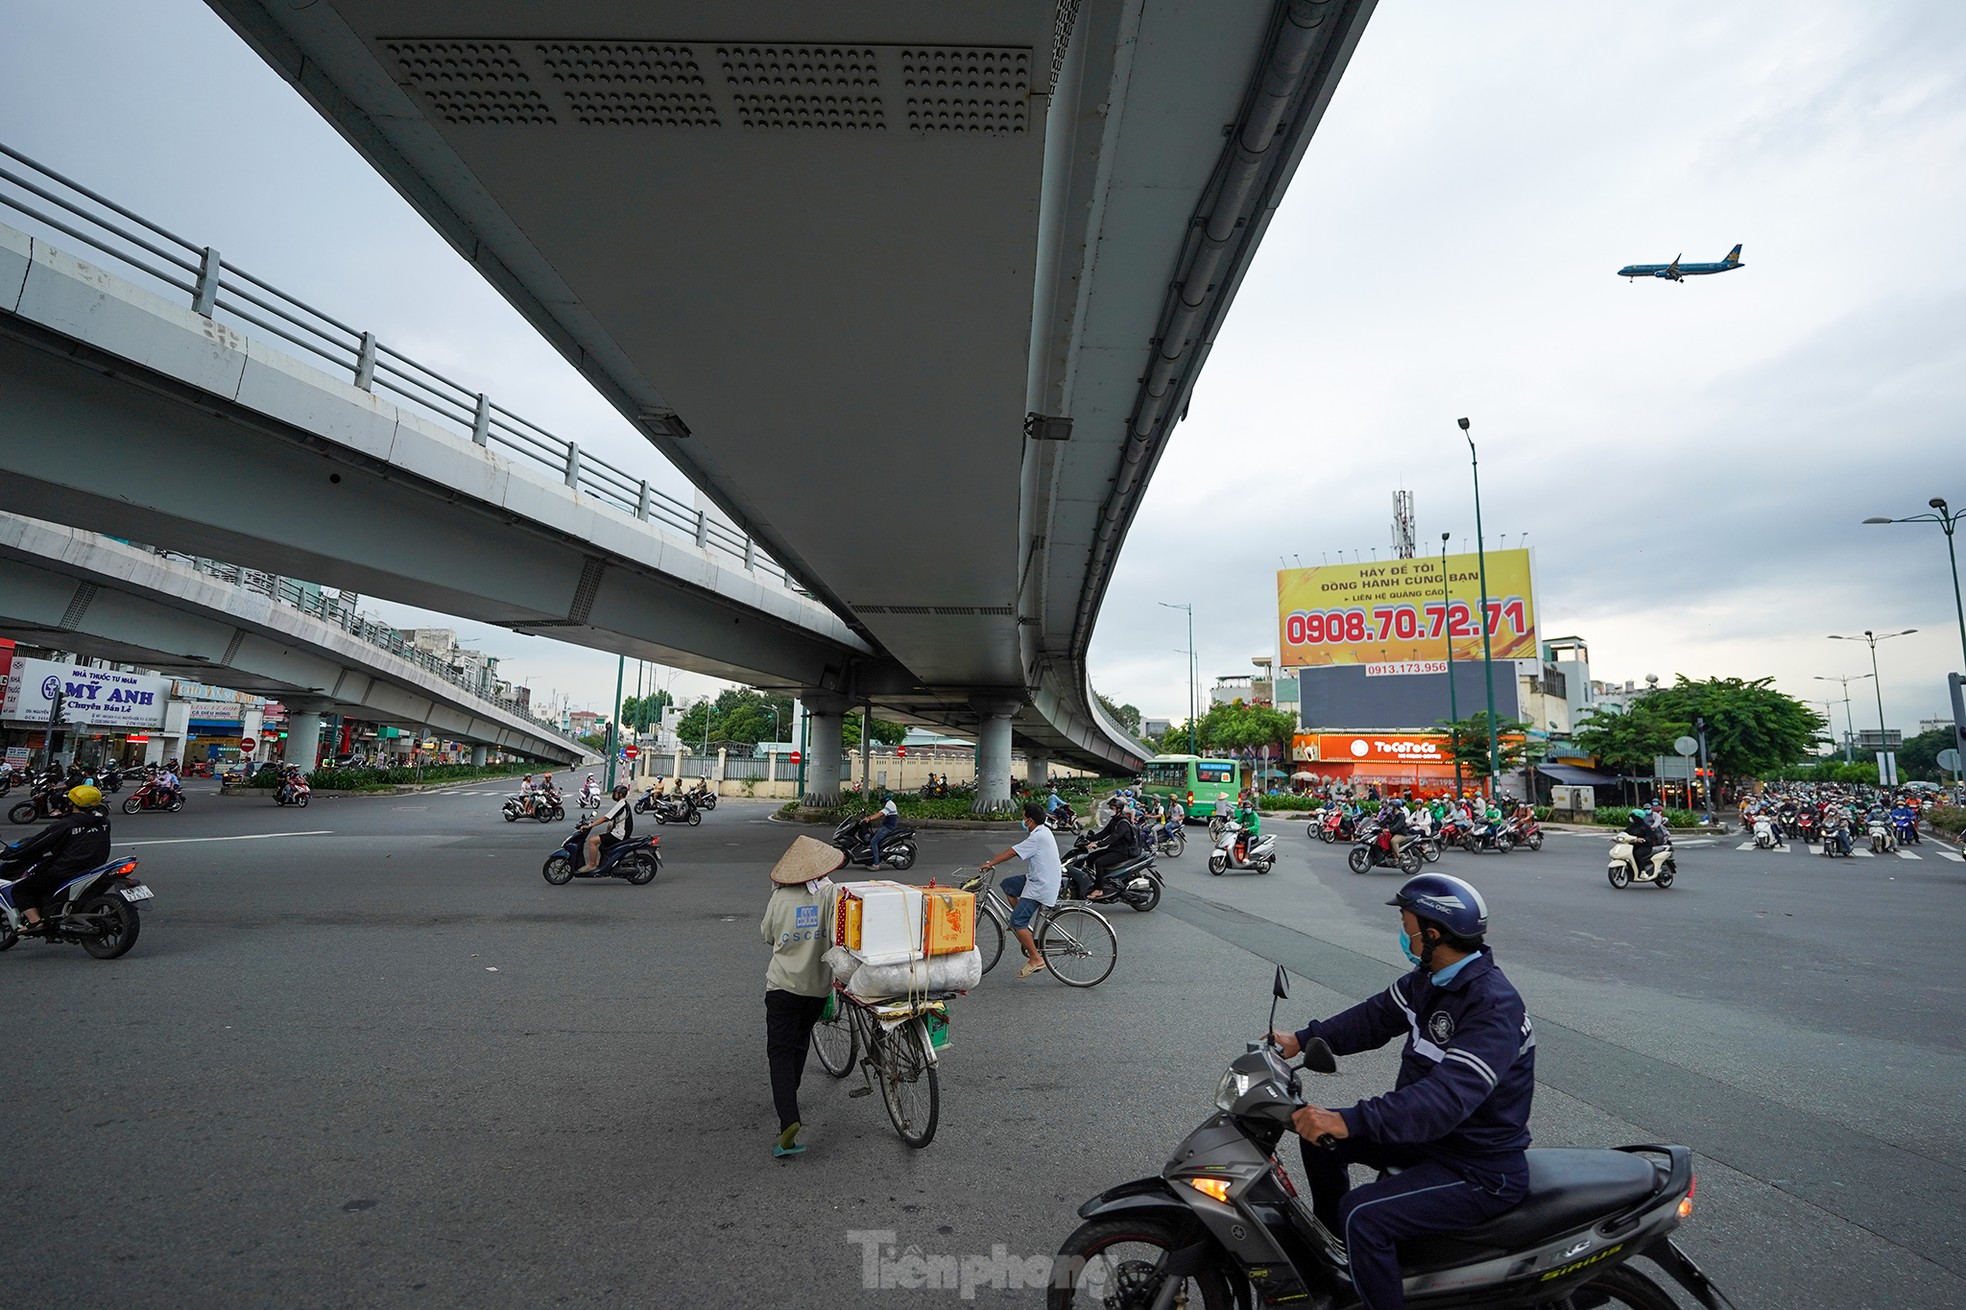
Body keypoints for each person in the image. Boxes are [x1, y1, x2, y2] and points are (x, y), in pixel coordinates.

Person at [1270, 874, 1532, 1310]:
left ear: (1432, 934)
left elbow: (1445, 1100)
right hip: (1433, 1142)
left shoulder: (1492, 1005)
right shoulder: (1430, 981)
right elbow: (1374, 1018)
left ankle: (1364, 1261)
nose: (1403, 933)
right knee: (1321, 1142)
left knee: (1362, 1215)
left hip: (1478, 1166)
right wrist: (1299, 1039)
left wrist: (1349, 1119)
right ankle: (1343, 1260)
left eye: (1407, 924)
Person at [760, 835, 845, 1158]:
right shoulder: (830, 893)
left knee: (780, 1051)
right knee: (800, 1040)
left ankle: (788, 1121)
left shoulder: (779, 898)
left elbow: (766, 935)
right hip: (817, 989)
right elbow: (841, 930)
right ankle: (789, 1094)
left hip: (782, 986)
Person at [1, 784, 113, 932]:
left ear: (72, 803)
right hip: (94, 866)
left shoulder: (66, 824)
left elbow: (37, 844)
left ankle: (35, 922)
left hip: (65, 869)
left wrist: (9, 853)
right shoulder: (104, 822)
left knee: (21, 889)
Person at [978, 802, 1062, 979]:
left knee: (1017, 921)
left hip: (1041, 885)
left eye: (1024, 818)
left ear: (1030, 820)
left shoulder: (1037, 837)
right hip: (1039, 879)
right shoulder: (1043, 831)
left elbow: (1012, 852)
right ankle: (1023, 926)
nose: (1022, 821)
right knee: (1008, 885)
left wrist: (990, 863)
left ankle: (1035, 957)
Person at [1077, 796, 1138, 899]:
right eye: (1110, 808)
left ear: (1119, 809)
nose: (1110, 810)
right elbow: (1103, 833)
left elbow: (1113, 837)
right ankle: (1092, 882)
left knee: (1099, 862)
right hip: (1114, 849)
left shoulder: (1123, 823)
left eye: (1112, 808)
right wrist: (1090, 839)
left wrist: (1098, 844)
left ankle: (1099, 889)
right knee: (1090, 857)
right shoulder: (1114, 820)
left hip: (1122, 852)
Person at [576, 783, 633, 873]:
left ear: (620, 794)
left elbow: (605, 818)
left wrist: (590, 825)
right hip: (619, 832)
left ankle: (592, 865)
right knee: (602, 846)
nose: (614, 795)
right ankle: (602, 864)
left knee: (592, 841)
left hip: (619, 834)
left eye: (615, 793)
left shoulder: (621, 805)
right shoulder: (623, 803)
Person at [862, 790, 899, 868]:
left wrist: (869, 818)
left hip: (888, 828)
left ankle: (876, 864)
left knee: (873, 842)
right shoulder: (888, 804)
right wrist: (868, 817)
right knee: (873, 837)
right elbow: (880, 813)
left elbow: (880, 814)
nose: (881, 797)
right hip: (886, 826)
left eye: (882, 796)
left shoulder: (890, 805)